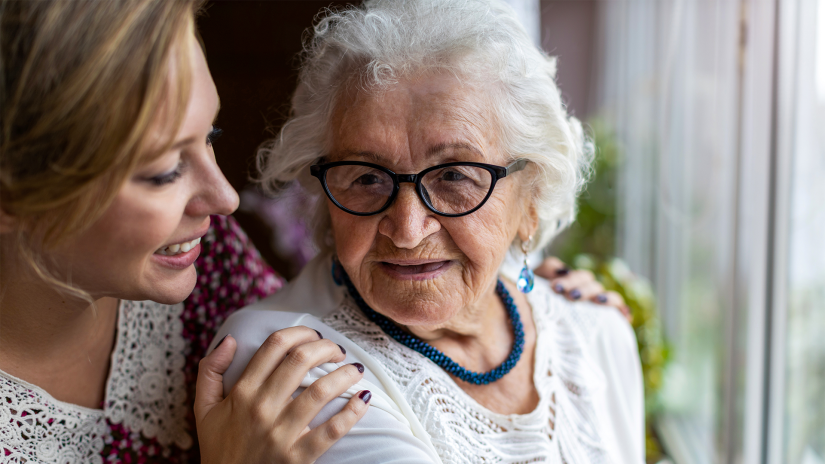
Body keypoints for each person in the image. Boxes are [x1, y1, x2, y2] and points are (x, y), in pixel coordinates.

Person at [0, 0, 624, 462]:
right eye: (164, 171)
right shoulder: (277, 349)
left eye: (210, 138)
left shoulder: (203, 265)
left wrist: (505, 262)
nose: (223, 199)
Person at [209, 0, 644, 463]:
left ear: (531, 199)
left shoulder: (595, 334)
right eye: (367, 178)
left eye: (455, 175)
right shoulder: (289, 363)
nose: (408, 231)